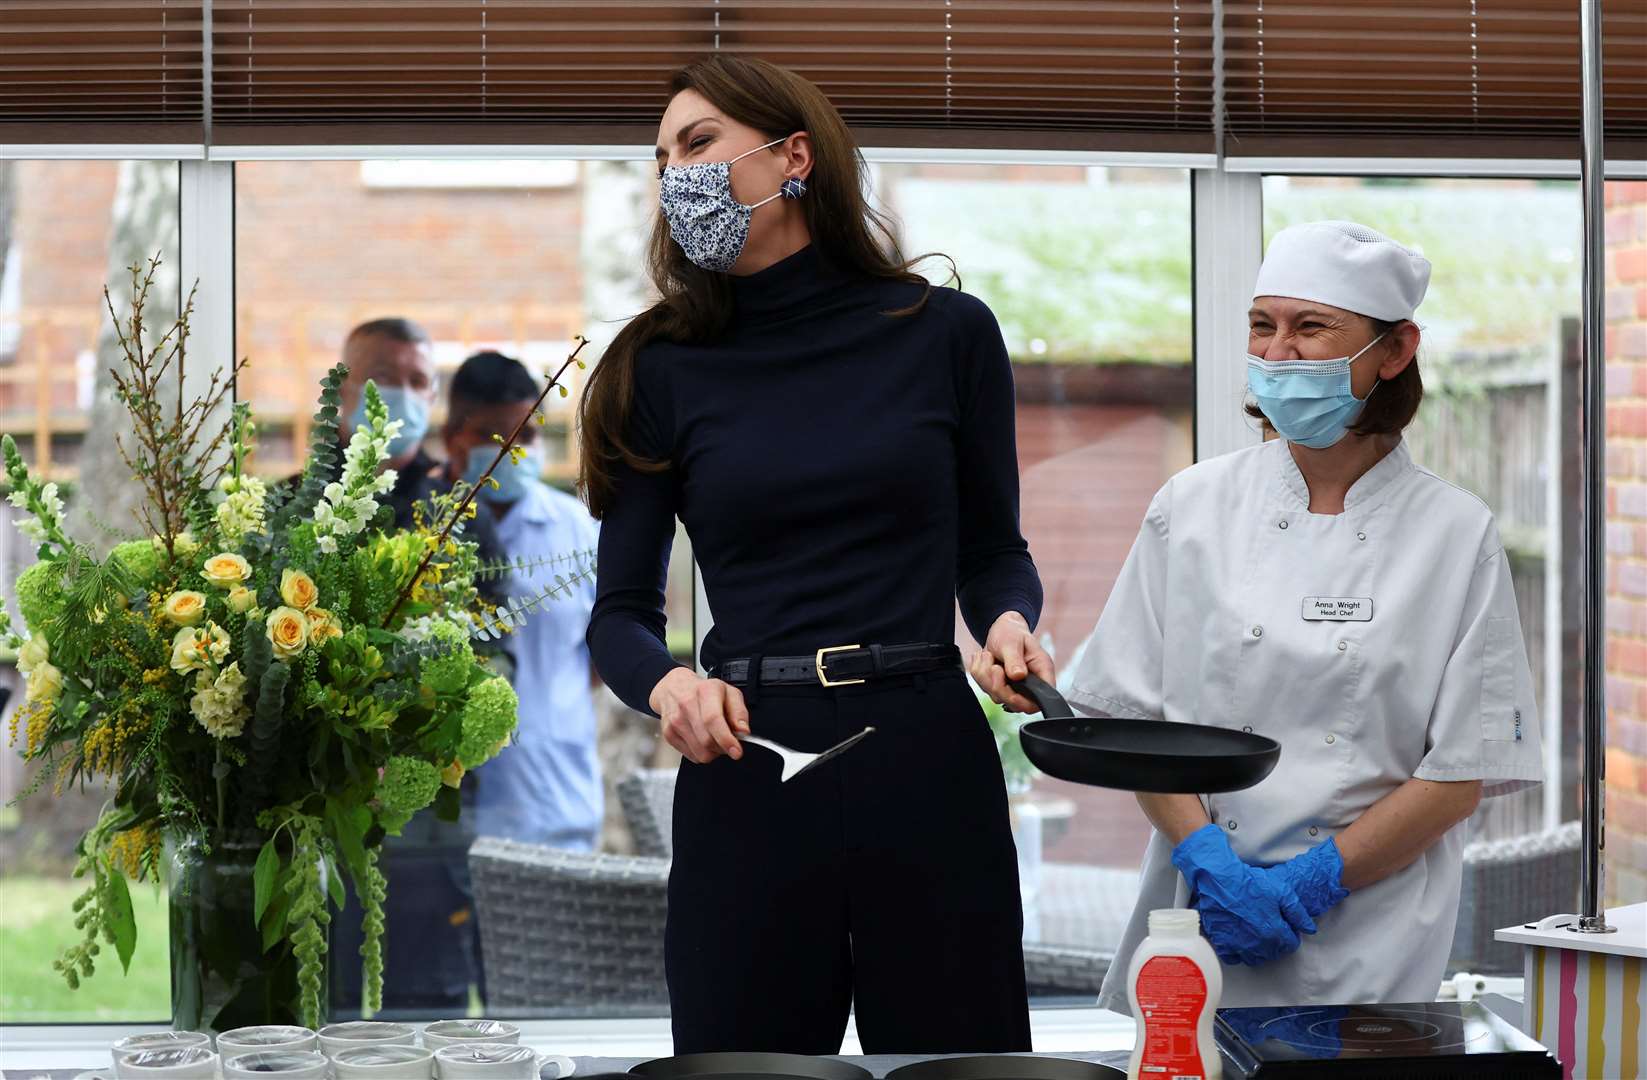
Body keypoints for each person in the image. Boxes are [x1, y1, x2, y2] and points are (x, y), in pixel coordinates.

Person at [579, 55, 1051, 1055]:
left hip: (924, 753)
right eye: (661, 157)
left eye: (698, 144)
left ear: (795, 154)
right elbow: (618, 615)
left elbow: (993, 550)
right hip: (748, 762)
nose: (676, 175)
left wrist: (1010, 624)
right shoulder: (653, 368)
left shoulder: (947, 334)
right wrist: (670, 687)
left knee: (956, 1071)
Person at [1034, 220, 1544, 1010]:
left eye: (1310, 328)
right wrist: (1210, 859)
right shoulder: (1192, 508)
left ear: (1394, 350)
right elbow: (1139, 727)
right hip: (1195, 919)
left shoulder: (1453, 532)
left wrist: (1317, 877)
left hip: (1368, 931)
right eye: (1260, 327)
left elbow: (1457, 773)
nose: (1275, 354)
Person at [316, 317, 493, 1016]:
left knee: (426, 1020)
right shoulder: (290, 507)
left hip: (428, 824)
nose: (406, 396)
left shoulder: (460, 517)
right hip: (316, 817)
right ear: (341, 393)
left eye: (420, 382)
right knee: (308, 1014)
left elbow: (491, 662)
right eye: (386, 379)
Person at [442, 350, 602, 851]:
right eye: (496, 436)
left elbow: (601, 662)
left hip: (556, 802)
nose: (515, 449)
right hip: (445, 821)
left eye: (527, 435)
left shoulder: (579, 533)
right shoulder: (425, 536)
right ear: (454, 438)